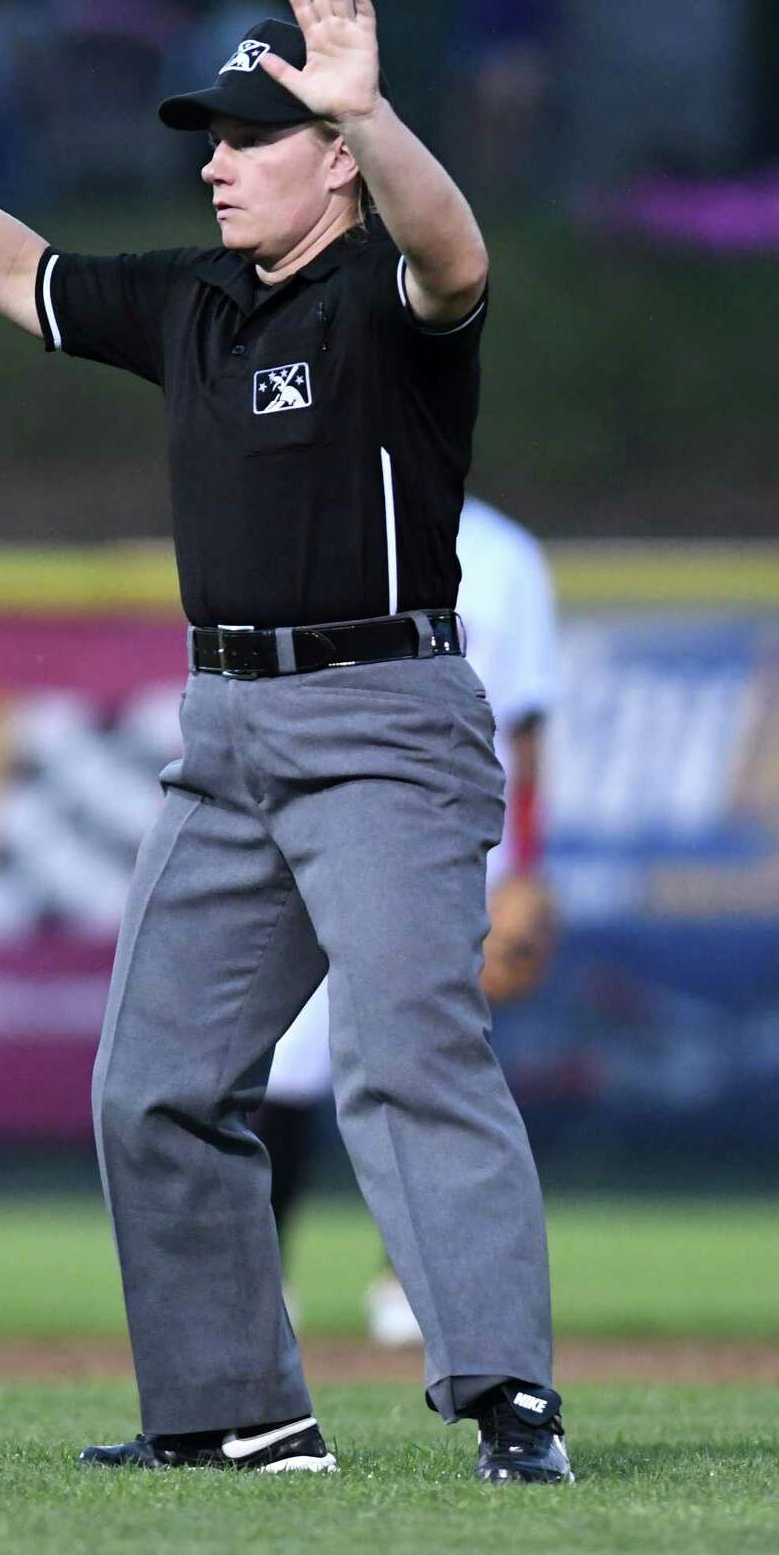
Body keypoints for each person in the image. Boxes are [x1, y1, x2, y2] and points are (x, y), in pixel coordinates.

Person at [0, 0, 573, 1484]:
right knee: (149, 1081)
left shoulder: (387, 295)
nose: (217, 161)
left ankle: (511, 1400)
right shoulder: (195, 301)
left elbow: (459, 249)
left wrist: (375, 118)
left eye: (251, 136)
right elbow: (14, 268)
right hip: (223, 731)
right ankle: (239, 1413)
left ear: (338, 167)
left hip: (380, 718)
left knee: (403, 1049)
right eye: (210, 139)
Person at [259, 494, 559, 1346]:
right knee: (291, 1054)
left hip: (460, 827)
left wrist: (527, 873)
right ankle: (265, 1282)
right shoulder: (323, 512)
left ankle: (418, 1282)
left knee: (427, 1053)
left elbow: (529, 733)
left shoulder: (507, 556)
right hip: (326, 812)